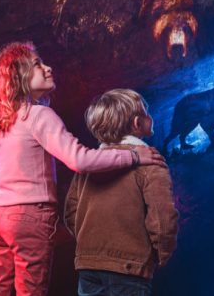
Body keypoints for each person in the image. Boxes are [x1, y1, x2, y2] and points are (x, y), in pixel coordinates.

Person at [0, 42, 166, 296]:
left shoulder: (1, 122)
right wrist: (133, 157)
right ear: (18, 77)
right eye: (37, 64)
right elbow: (80, 160)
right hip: (29, 217)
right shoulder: (38, 116)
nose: (48, 68)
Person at [64, 89, 178, 296]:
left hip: (88, 264)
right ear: (137, 123)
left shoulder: (90, 165)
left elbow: (71, 212)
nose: (150, 117)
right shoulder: (151, 162)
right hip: (130, 266)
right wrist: (161, 253)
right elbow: (162, 216)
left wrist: (90, 246)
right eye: (147, 112)